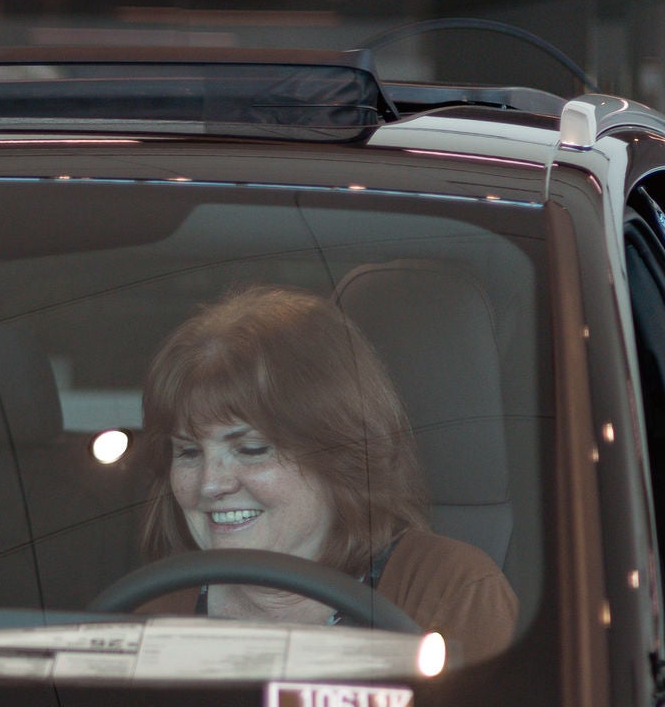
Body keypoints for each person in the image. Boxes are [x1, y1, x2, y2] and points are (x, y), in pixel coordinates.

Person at [135, 285, 518, 665]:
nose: (210, 484)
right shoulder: (155, 616)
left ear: (340, 451)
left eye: (251, 450)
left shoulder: (449, 590)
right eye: (188, 452)